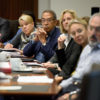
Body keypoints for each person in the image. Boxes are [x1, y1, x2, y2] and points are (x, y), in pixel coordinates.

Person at [56, 13, 100, 100]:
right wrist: (60, 87)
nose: (77, 35)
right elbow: (77, 76)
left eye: (98, 29)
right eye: (91, 28)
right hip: (77, 88)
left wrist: (72, 95)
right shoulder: (87, 48)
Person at [42, 10, 82, 79]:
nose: (66, 22)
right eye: (63, 20)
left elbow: (67, 67)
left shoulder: (77, 40)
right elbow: (59, 60)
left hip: (72, 77)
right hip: (65, 73)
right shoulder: (66, 37)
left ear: (75, 21)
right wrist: (49, 63)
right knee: (44, 71)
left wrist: (55, 66)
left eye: (69, 19)